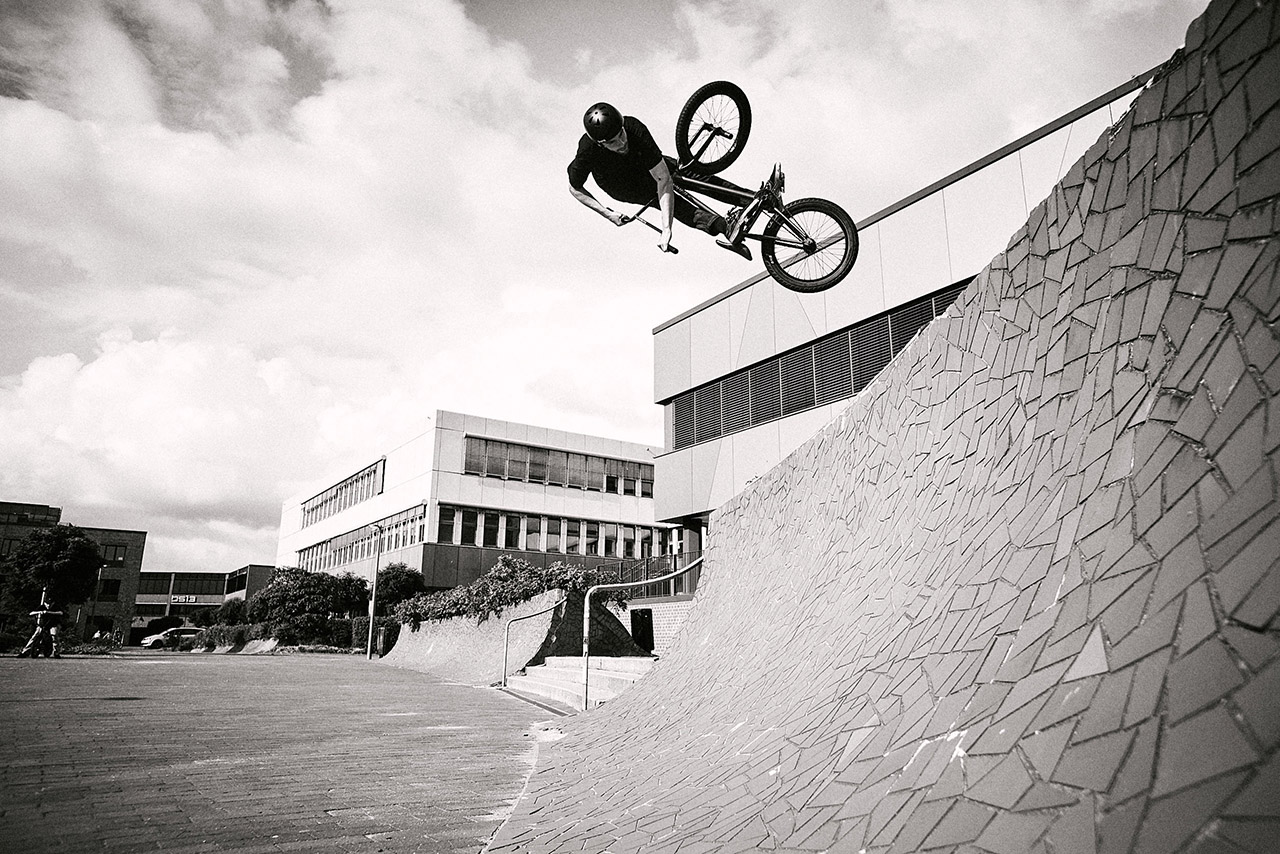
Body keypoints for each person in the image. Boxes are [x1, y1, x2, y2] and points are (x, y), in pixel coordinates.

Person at [568, 102, 752, 260]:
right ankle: (723, 227)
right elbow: (575, 188)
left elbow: (663, 178)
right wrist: (608, 214)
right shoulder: (587, 151)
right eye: (613, 142)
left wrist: (666, 226)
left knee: (689, 175)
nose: (622, 143)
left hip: (643, 163)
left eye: (621, 135)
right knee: (671, 204)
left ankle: (752, 199)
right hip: (623, 185)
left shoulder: (634, 127)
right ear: (601, 143)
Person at [17, 590, 63, 658]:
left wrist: (49, 612)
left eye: (50, 604)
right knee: (34, 636)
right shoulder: (42, 607)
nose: (48, 605)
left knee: (54, 636)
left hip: (52, 625)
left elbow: (61, 613)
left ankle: (56, 653)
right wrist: (40, 612)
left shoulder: (55, 607)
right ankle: (24, 652)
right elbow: (31, 613)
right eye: (47, 604)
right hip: (42, 625)